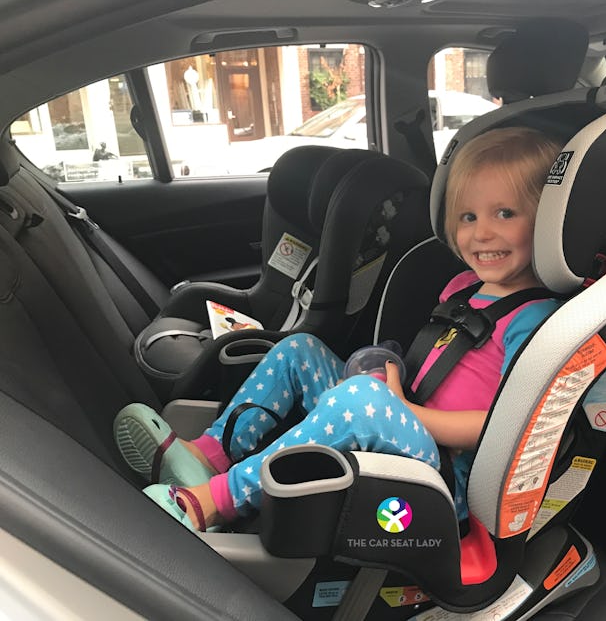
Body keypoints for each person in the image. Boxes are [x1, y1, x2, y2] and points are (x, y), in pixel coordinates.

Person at [114, 126, 563, 532]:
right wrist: (389, 370)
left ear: (547, 221)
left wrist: (406, 408)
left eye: (504, 213)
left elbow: (506, 428)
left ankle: (215, 502)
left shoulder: (536, 319)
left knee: (362, 402)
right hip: (407, 421)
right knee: (300, 349)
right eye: (468, 217)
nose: (482, 233)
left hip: (451, 475)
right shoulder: (464, 288)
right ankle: (208, 455)